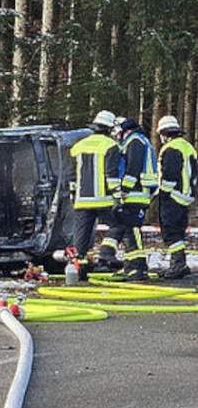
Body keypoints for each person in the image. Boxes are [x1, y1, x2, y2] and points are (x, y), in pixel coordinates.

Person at [69, 110, 122, 279]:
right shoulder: (111, 146)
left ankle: (79, 269)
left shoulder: (78, 146)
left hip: (81, 200)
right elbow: (111, 174)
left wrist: (73, 194)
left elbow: (72, 175)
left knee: (81, 236)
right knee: (118, 226)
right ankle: (105, 255)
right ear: (109, 128)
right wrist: (117, 195)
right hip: (103, 199)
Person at [109, 118, 158, 281]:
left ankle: (137, 266)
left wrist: (124, 189)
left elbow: (133, 167)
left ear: (125, 131)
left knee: (132, 229)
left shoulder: (135, 142)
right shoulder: (138, 141)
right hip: (136, 192)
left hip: (135, 193)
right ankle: (132, 266)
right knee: (128, 230)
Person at [156, 115, 197, 279]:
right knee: (178, 231)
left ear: (164, 133)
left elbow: (170, 174)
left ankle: (177, 264)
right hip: (186, 195)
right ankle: (179, 263)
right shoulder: (188, 147)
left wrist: (163, 193)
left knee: (171, 230)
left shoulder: (171, 148)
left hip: (173, 195)